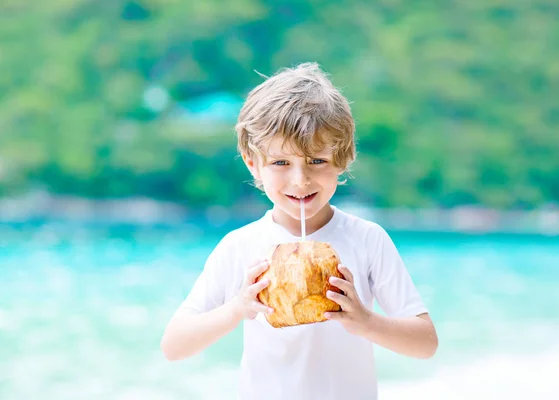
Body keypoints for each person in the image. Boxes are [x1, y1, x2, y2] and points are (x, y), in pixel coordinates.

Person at [161, 62, 438, 400]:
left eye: (316, 161)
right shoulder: (240, 246)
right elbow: (174, 345)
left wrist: (365, 321)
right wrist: (236, 308)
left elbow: (425, 343)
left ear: (342, 159)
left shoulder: (367, 239)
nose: (300, 180)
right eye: (281, 163)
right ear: (253, 164)